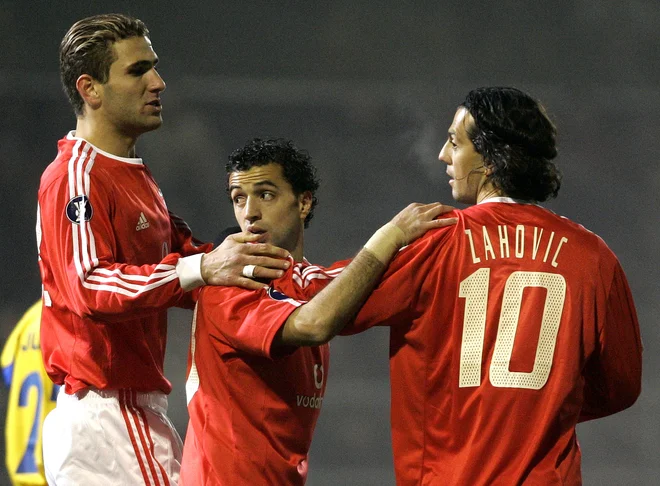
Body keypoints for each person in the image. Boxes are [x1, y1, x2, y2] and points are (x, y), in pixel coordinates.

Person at [340, 86, 643, 485]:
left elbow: (330, 305)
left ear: (491, 159)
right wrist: (539, 407)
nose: (443, 155)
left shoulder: (435, 242)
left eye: (454, 142)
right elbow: (621, 385)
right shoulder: (594, 257)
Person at [36, 13, 290, 485]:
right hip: (108, 413)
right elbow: (90, 285)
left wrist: (278, 270)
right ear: (90, 89)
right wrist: (203, 267)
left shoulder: (133, 173)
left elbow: (194, 263)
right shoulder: (76, 176)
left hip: (130, 412)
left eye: (153, 66)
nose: (158, 81)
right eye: (137, 70)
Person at [180, 138, 457, 485]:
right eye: (239, 198)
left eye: (265, 194)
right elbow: (314, 323)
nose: (249, 212)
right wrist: (389, 235)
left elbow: (360, 277)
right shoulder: (229, 286)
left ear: (304, 202)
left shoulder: (311, 284)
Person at [2, 301, 59, 486]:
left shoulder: (29, 319)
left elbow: (8, 371)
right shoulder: (71, 315)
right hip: (58, 470)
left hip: (22, 472)